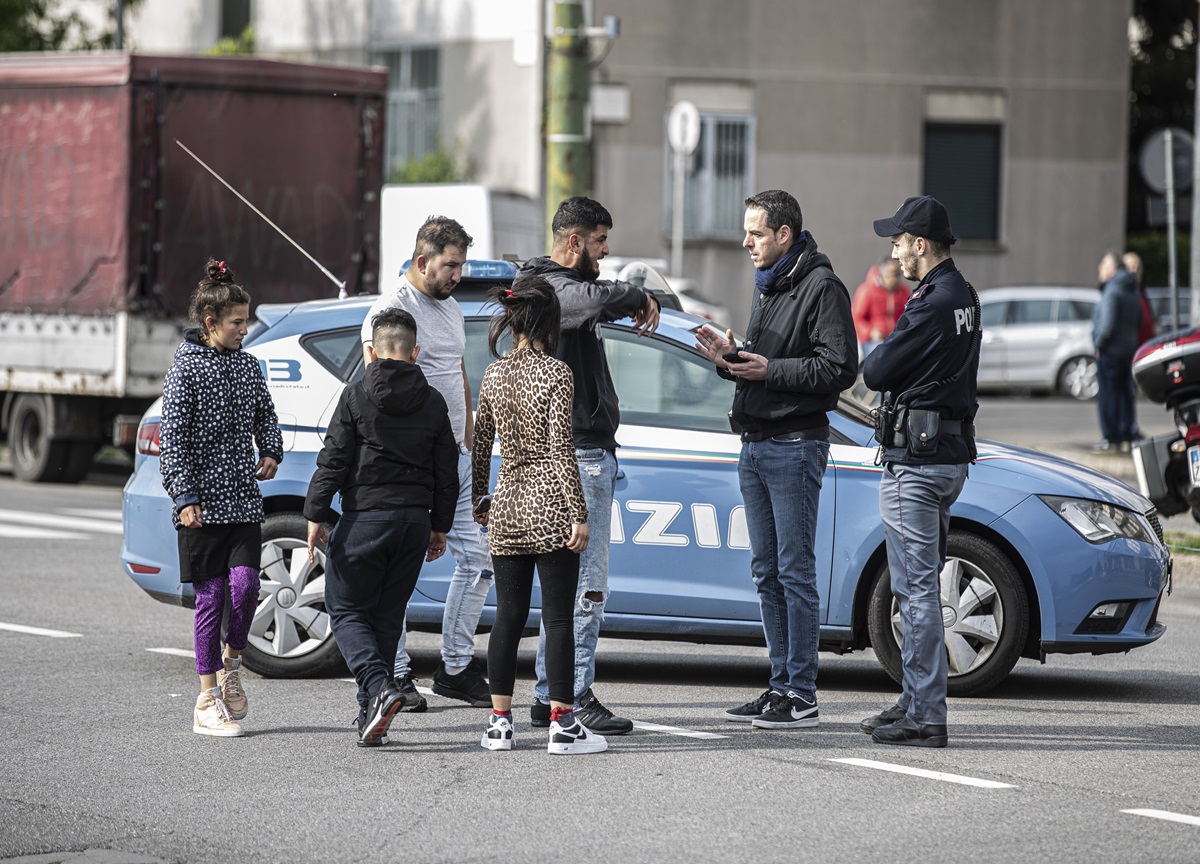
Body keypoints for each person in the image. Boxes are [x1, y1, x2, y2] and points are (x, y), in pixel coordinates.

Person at [695, 190, 857, 730]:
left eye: (756, 233)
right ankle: (780, 684)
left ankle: (802, 693)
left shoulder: (821, 286)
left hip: (794, 446)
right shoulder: (771, 283)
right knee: (767, 572)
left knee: (794, 571)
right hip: (756, 443)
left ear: (784, 234)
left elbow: (838, 369)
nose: (746, 243)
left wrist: (769, 371)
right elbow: (768, 365)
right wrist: (729, 359)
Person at [516, 196, 661, 736]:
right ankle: (571, 693)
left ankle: (548, 693)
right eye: (600, 241)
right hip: (576, 454)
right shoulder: (545, 285)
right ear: (574, 241)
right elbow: (580, 299)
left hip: (578, 452)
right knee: (585, 584)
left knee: (567, 581)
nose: (606, 251)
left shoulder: (556, 286)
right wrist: (634, 293)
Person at [306, 307, 458, 747]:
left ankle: (378, 685)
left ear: (370, 351)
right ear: (416, 352)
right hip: (413, 524)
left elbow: (334, 458)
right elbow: (445, 470)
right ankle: (368, 713)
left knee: (346, 609)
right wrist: (439, 526)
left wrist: (315, 512)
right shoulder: (433, 401)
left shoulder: (356, 395)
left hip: (365, 520)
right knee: (387, 616)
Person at [860, 195, 980, 748]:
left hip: (918, 463)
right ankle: (912, 700)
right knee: (918, 585)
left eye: (899, 242)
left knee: (915, 593)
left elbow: (878, 368)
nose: (895, 252)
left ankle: (926, 714)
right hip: (948, 456)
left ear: (921, 245)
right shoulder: (966, 295)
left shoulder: (930, 301)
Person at [361, 216, 493, 710]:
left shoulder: (452, 308)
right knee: (399, 569)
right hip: (411, 461)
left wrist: (471, 438)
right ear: (423, 261)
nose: (457, 274)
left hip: (454, 457)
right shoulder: (392, 310)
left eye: (460, 264)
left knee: (479, 562)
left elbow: (456, 371)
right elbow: (378, 390)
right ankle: (395, 673)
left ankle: (455, 668)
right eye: (450, 265)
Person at [472, 277, 607, 755]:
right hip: (549, 502)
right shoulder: (556, 373)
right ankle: (563, 726)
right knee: (558, 620)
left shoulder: (492, 375)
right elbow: (560, 451)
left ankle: (498, 725)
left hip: (507, 500)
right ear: (550, 321)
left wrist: (478, 501)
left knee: (507, 616)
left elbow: (480, 447)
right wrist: (579, 514)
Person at [159, 258, 283, 738]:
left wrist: (270, 448)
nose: (245, 329)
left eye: (246, 320)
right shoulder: (185, 370)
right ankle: (207, 698)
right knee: (211, 599)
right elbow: (173, 440)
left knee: (248, 587)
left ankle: (233, 663)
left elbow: (266, 413)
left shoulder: (250, 366)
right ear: (211, 323)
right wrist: (184, 496)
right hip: (200, 508)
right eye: (237, 322)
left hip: (243, 502)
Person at [1092, 252, 1141, 453]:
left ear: (1112, 269)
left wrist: (1099, 345)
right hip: (1127, 349)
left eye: (1102, 265)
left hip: (1110, 351)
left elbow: (1107, 324)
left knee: (1109, 395)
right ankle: (1126, 435)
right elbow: (1140, 321)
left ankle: (1111, 438)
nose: (1099, 270)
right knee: (1124, 394)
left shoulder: (1113, 290)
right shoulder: (1131, 289)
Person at [852, 257, 910, 357]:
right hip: (874, 341)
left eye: (898, 275)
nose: (897, 279)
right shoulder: (866, 291)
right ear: (883, 276)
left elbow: (908, 313)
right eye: (893, 275)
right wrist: (871, 333)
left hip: (896, 339)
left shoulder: (903, 291)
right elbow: (856, 318)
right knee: (880, 354)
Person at [1123, 251, 1156, 348]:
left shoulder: (1140, 290)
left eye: (1136, 267)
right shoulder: (1124, 292)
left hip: (1145, 344)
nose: (1134, 270)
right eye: (1130, 267)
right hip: (1132, 344)